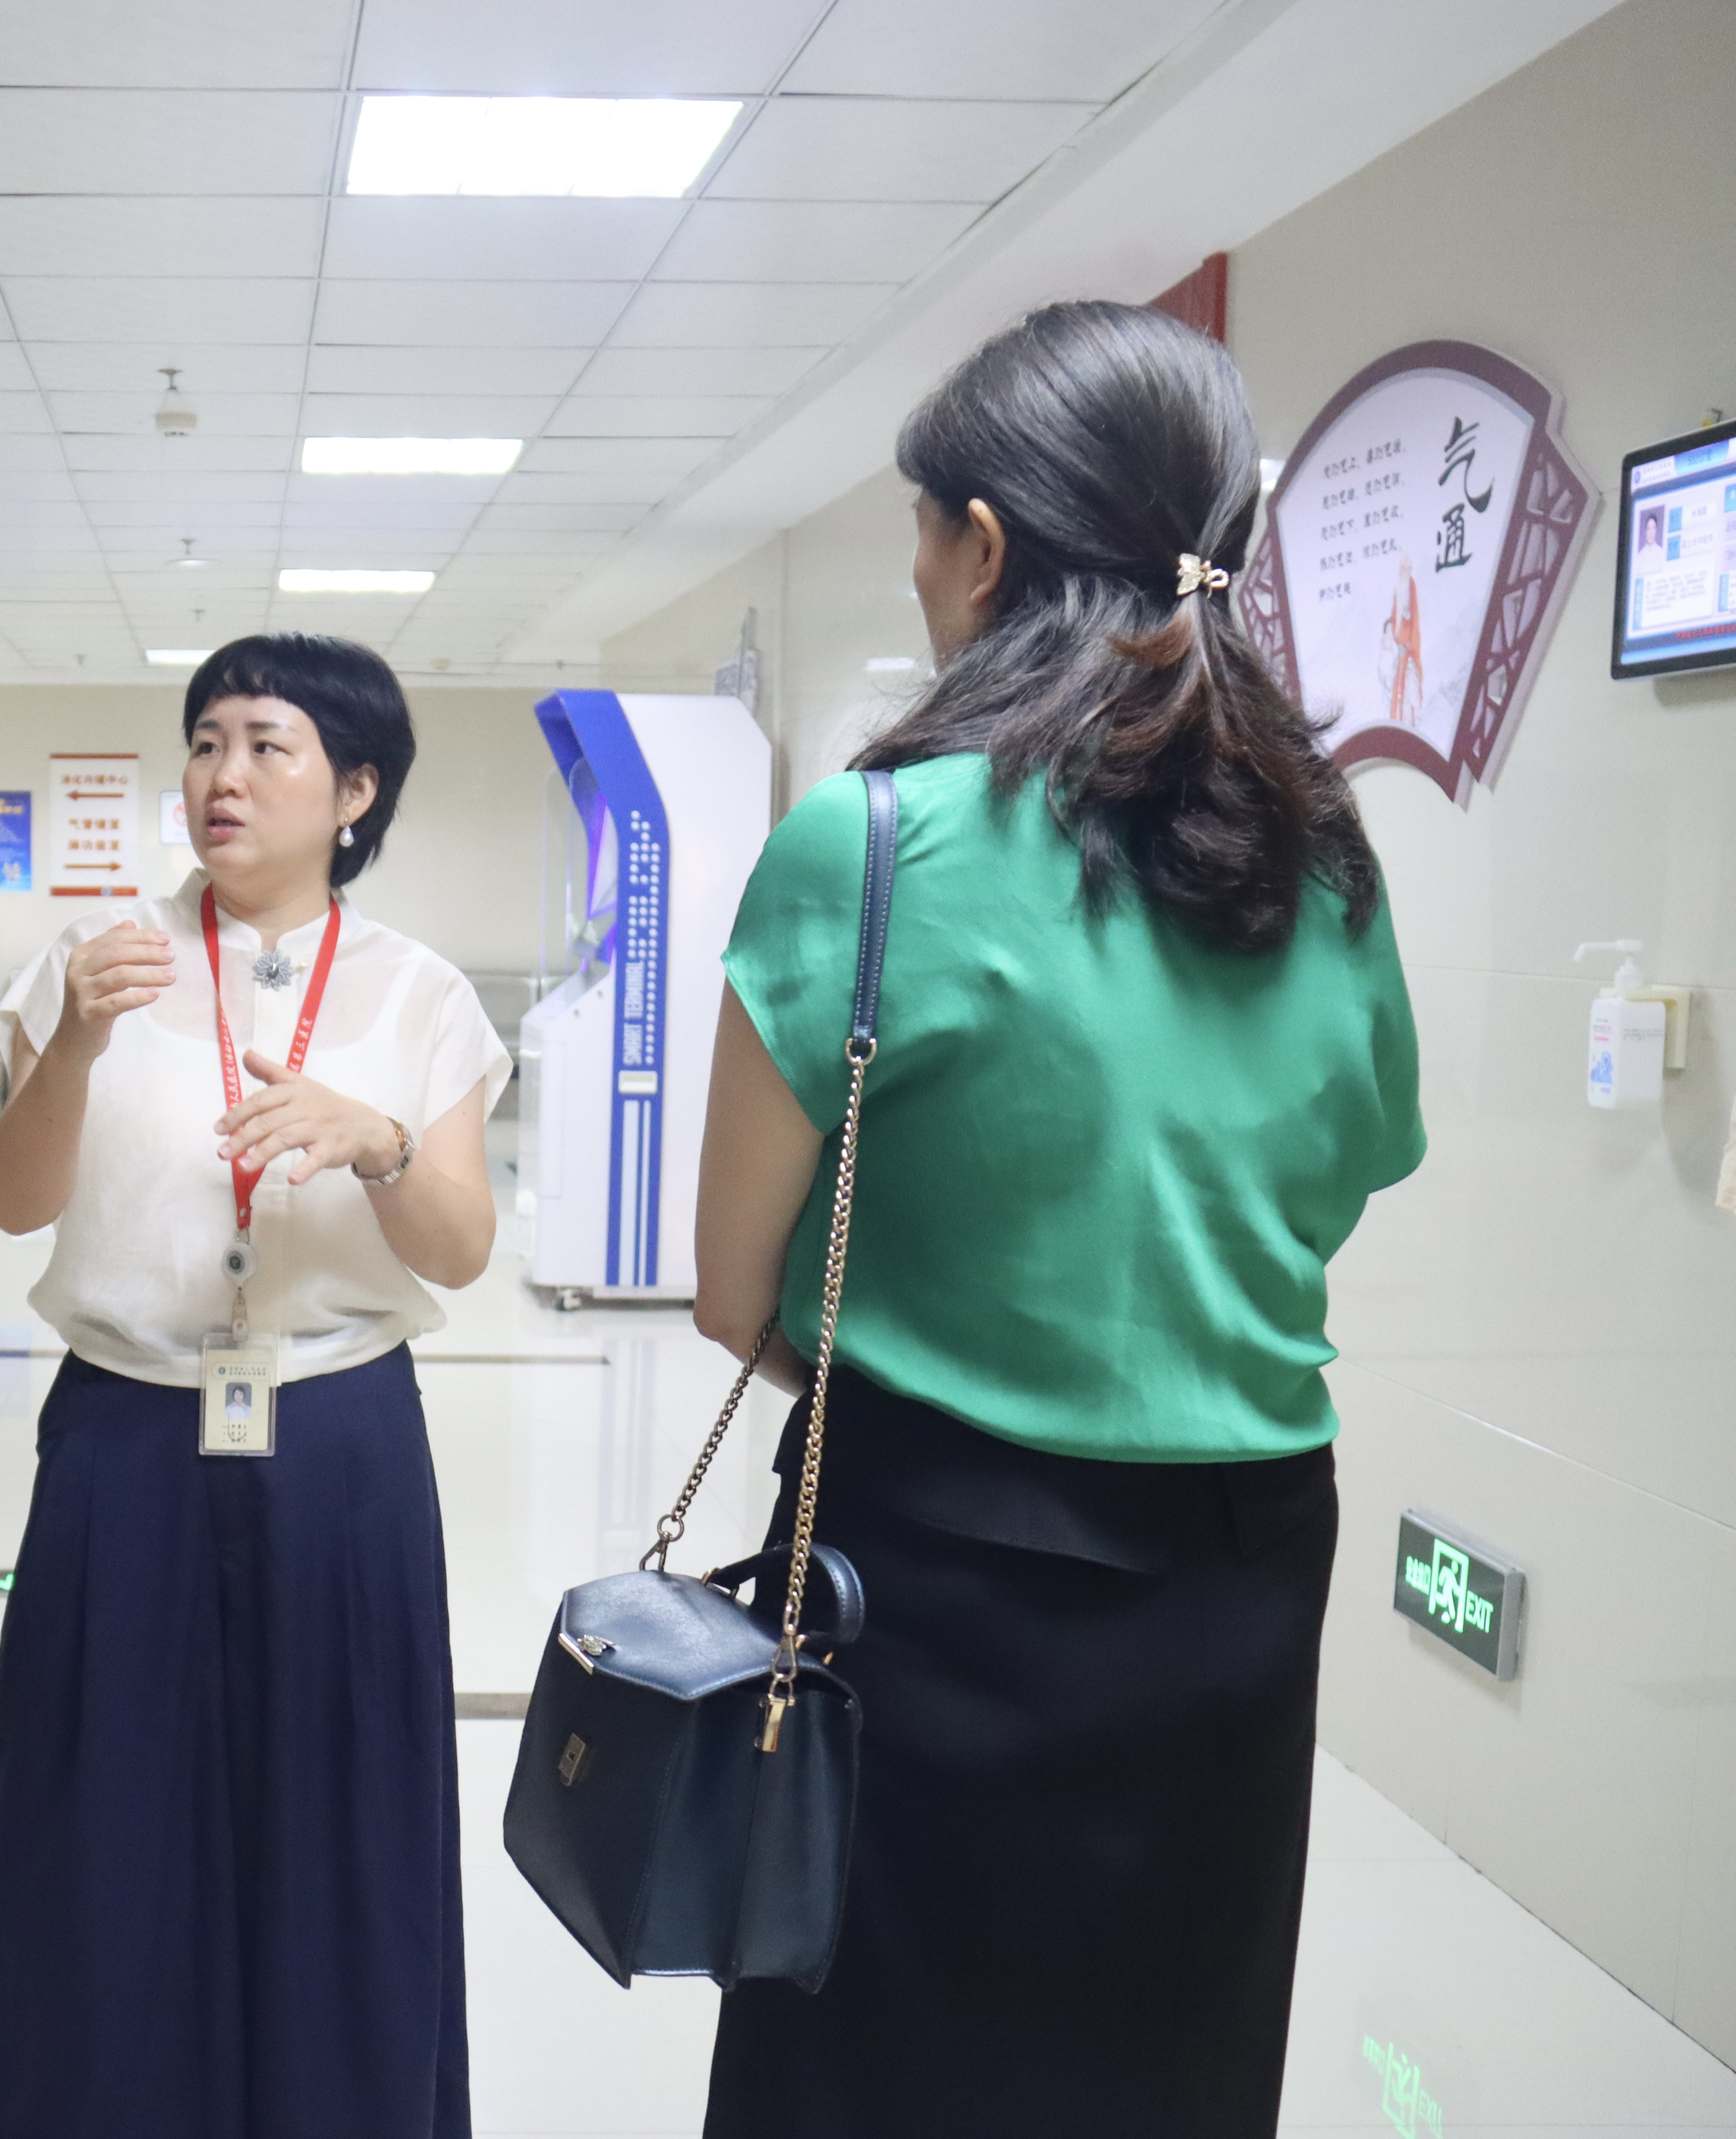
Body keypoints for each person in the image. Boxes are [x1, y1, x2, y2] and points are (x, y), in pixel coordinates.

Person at [692, 301, 1426, 2135]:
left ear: (984, 544)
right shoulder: (1323, 862)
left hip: (927, 1571)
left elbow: (730, 1288)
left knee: (876, 2058)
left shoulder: (873, 849)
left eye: (920, 529)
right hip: (1244, 1580)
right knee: (1166, 2053)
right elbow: (1340, 1177)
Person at [0, 633, 508, 2139]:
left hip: (339, 1433)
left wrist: (381, 1141)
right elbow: (12, 1200)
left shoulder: (420, 994)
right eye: (205, 741)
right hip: (126, 1421)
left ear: (356, 789)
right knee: (103, 1785)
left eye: (268, 744)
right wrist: (75, 1041)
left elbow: (458, 1248)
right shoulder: (95, 961)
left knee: (339, 1787)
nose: (224, 775)